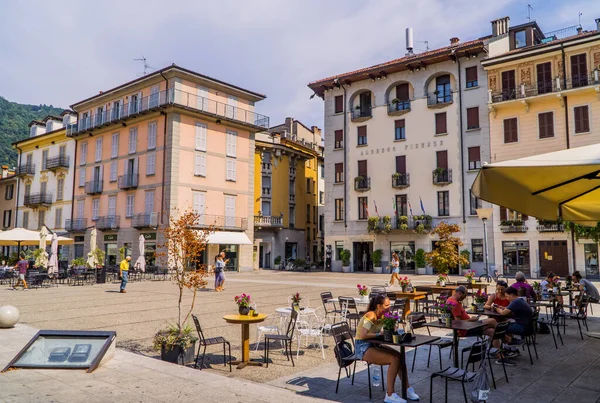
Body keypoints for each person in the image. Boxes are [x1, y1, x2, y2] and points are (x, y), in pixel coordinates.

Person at [354, 294, 419, 403]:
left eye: (390, 304)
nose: (389, 307)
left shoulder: (383, 316)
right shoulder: (370, 315)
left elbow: (388, 330)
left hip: (374, 344)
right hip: (362, 346)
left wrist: (392, 326)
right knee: (393, 359)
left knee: (399, 356)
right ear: (379, 306)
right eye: (387, 305)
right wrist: (380, 334)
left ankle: (407, 389)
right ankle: (390, 394)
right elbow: (363, 334)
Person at [493, 286, 535, 362]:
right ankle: (509, 346)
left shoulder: (516, 302)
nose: (506, 298)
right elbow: (508, 309)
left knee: (499, 328)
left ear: (512, 295)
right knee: (506, 323)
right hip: (529, 327)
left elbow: (503, 313)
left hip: (523, 328)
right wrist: (503, 308)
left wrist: (497, 308)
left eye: (507, 296)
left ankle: (510, 346)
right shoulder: (520, 300)